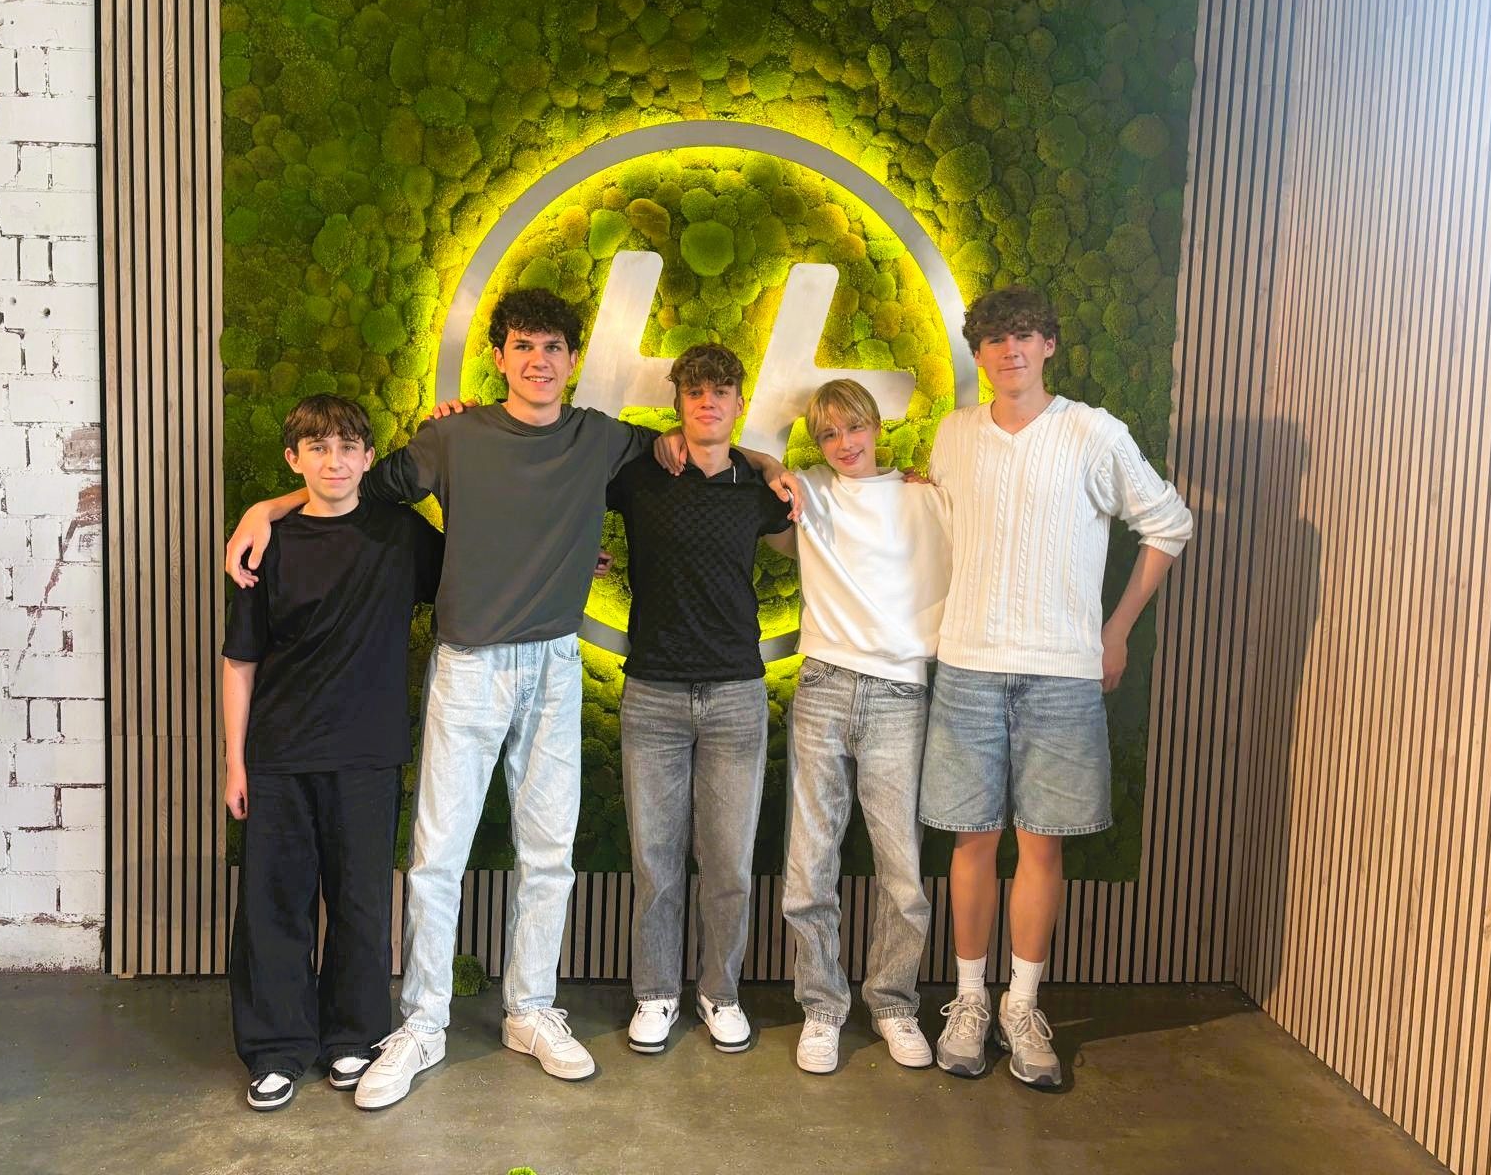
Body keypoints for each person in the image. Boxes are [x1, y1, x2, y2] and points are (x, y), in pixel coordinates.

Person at [224, 290, 792, 1108]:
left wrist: (770, 467)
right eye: (523, 345)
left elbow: (703, 444)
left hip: (555, 664)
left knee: (549, 854)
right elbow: (349, 488)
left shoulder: (603, 438)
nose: (538, 360)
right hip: (469, 666)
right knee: (438, 856)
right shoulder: (452, 438)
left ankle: (529, 1008)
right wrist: (267, 507)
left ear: (572, 358)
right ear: (499, 357)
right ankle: (424, 1022)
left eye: (553, 347)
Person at [922, 287, 1194, 1086]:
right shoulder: (953, 434)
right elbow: (940, 524)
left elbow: (1169, 522)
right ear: (979, 354)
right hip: (968, 663)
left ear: (1049, 345)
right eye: (994, 339)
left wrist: (1117, 630)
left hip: (1063, 672)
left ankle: (1022, 1006)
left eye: (1025, 335)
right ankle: (970, 1002)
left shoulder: (1093, 432)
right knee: (971, 841)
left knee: (1041, 845)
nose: (1010, 350)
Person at [222, 394, 443, 1111]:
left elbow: (479, 570)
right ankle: (276, 1048)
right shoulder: (267, 545)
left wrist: (568, 564)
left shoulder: (400, 535)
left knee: (360, 903)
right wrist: (235, 762)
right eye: (318, 448)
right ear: (295, 459)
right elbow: (240, 660)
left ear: (369, 457)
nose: (335, 461)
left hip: (367, 754)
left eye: (349, 447)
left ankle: (354, 1035)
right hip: (279, 755)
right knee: (274, 907)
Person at [607, 344, 793, 1057]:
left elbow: (809, 543)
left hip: (737, 694)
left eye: (720, 391)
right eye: (694, 391)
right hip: (652, 692)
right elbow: (560, 489)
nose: (708, 401)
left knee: (728, 864)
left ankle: (721, 993)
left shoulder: (760, 489)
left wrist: (770, 464)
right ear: (678, 402)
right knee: (655, 861)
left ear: (739, 402)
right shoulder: (639, 475)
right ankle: (656, 992)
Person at [770, 378, 952, 1075]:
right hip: (822, 684)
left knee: (902, 869)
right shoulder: (809, 491)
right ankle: (821, 1008)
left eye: (853, 428)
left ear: (876, 426)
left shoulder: (925, 498)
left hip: (901, 692)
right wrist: (778, 470)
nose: (844, 444)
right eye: (828, 434)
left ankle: (894, 1003)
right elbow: (754, 461)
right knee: (809, 865)